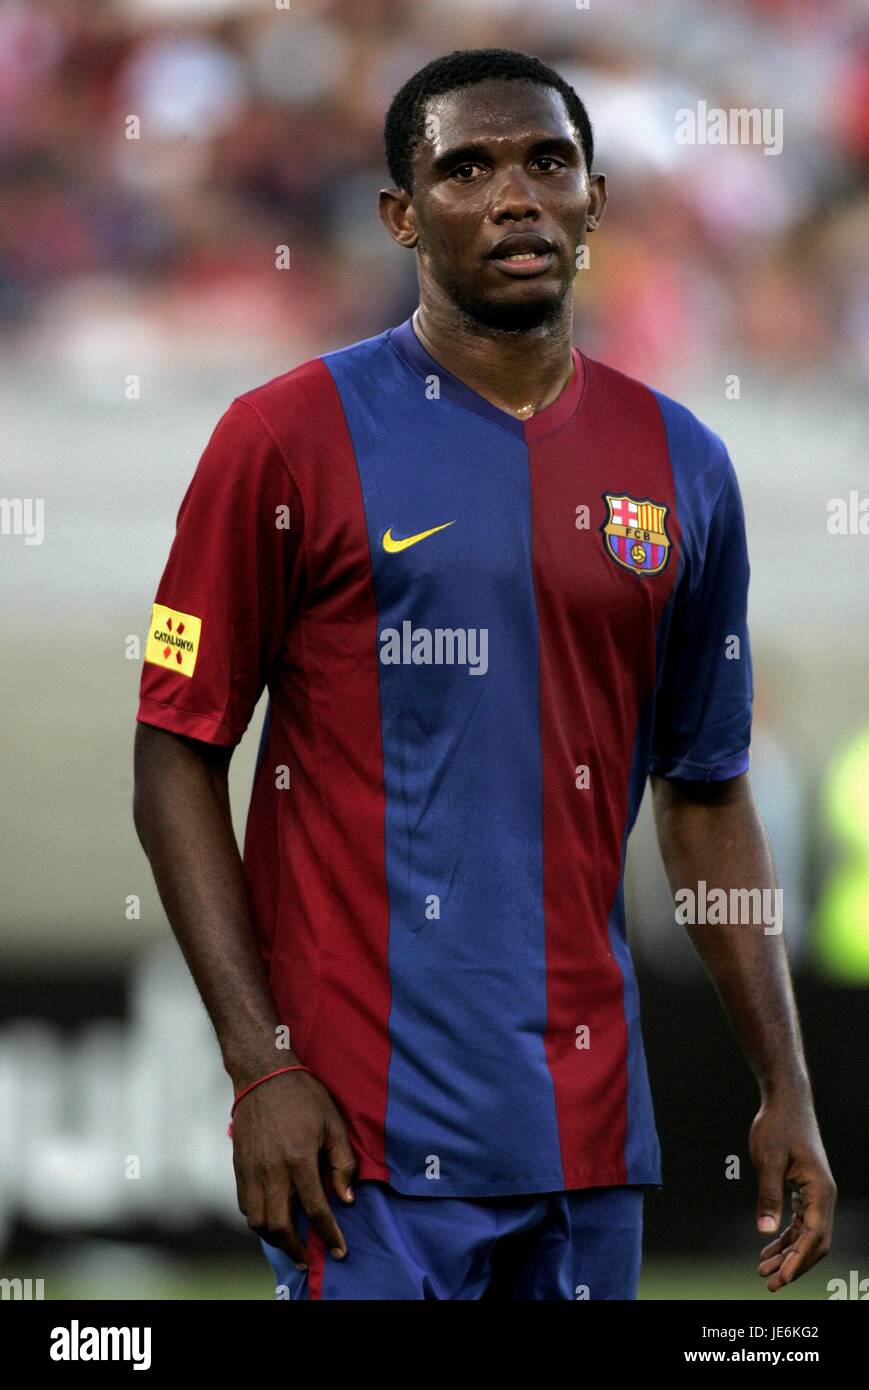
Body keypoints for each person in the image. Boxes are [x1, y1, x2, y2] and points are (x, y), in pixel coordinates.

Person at [133, 47, 835, 1301]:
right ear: (401, 215)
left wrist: (783, 1082)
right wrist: (260, 1067)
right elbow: (174, 752)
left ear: (595, 199)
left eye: (545, 162)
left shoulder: (681, 463)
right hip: (359, 1143)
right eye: (467, 168)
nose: (514, 196)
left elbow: (708, 791)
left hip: (586, 1137)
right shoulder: (285, 438)